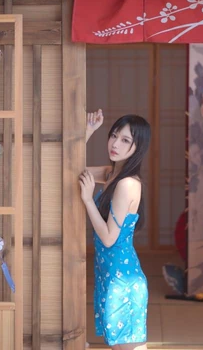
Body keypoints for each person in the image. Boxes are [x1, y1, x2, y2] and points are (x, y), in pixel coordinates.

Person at [79, 109, 150, 350]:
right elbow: (72, 169)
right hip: (109, 273)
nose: (115, 144)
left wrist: (88, 200)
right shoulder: (113, 174)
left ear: (138, 147)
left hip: (123, 280)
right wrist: (88, 131)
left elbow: (109, 238)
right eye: (114, 135)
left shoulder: (127, 184)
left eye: (125, 140)